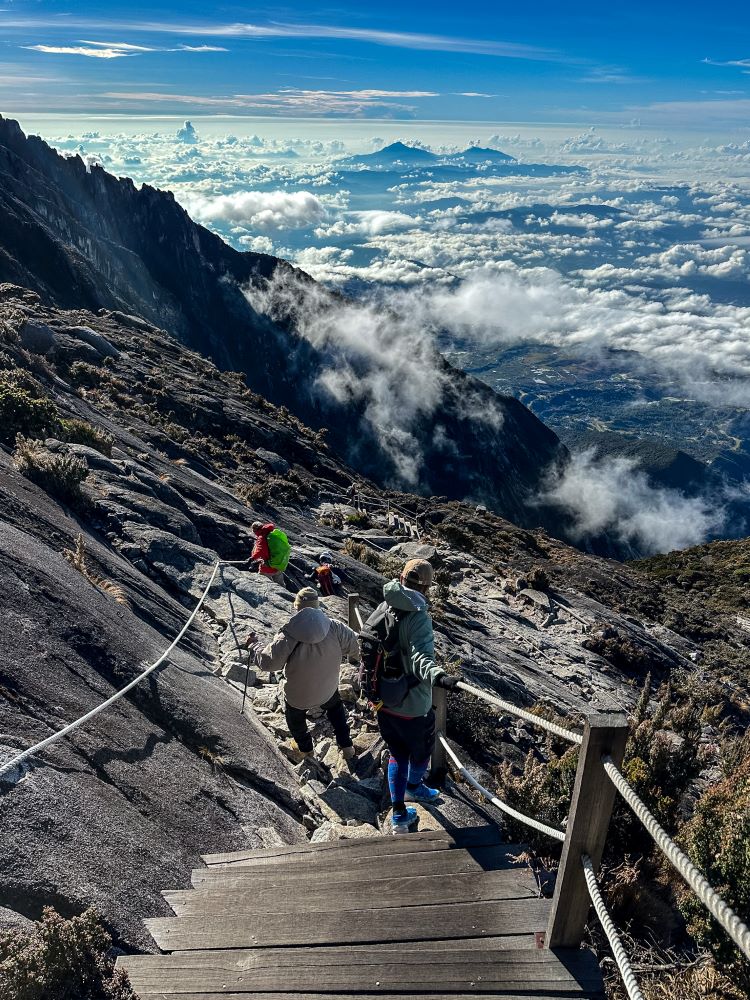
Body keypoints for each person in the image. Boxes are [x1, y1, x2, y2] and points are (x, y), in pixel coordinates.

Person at [374, 558, 459, 834]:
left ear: (401, 578)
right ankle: (414, 787)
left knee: (396, 754)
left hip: (384, 701)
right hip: (413, 706)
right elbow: (423, 659)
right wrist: (439, 677)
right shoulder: (419, 617)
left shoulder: (384, 606)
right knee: (421, 751)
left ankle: (399, 815)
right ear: (427, 587)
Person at [247, 588, 359, 760]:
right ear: (318, 606)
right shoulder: (335, 627)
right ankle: (346, 746)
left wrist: (255, 647)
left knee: (295, 719)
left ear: (297, 607)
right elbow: (357, 648)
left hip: (298, 697)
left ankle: (306, 750)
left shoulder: (288, 634)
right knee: (337, 711)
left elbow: (269, 663)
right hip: (327, 690)